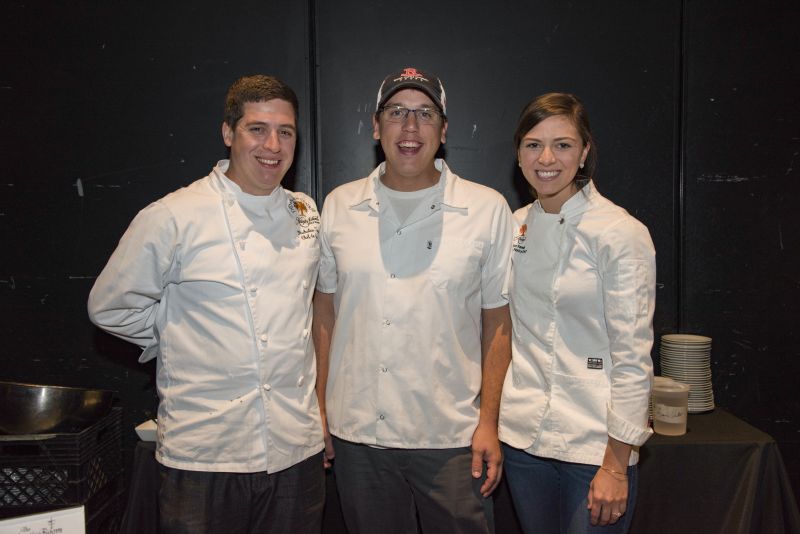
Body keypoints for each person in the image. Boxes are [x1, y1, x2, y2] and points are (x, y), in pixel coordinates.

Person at [87, 75, 325, 533]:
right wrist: (178, 336)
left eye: (286, 131)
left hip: (296, 447)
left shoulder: (305, 212)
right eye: (257, 129)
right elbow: (110, 306)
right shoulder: (174, 215)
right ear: (228, 133)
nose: (272, 145)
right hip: (204, 453)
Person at [313, 67, 514, 534]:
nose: (409, 127)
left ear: (443, 131)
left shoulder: (486, 209)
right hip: (359, 434)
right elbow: (324, 312)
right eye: (397, 112)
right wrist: (319, 408)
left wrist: (489, 422)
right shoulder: (340, 205)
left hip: (451, 436)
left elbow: (498, 323)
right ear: (376, 126)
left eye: (424, 114)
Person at [498, 92, 656, 534]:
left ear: (585, 150)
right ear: (518, 152)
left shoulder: (620, 233)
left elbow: (632, 359)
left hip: (594, 449)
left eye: (563, 145)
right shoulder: (514, 226)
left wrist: (616, 465)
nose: (546, 158)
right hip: (524, 442)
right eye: (533, 144)